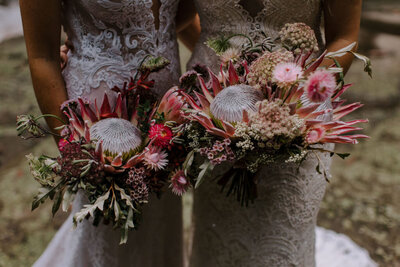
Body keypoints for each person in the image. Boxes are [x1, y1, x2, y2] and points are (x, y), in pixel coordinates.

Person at [184, 0, 376, 266]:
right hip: (215, 116)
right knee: (218, 235)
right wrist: (223, 65)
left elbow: (344, 35)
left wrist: (296, 96)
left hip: (296, 116)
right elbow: (179, 17)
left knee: (282, 238)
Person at [19, 0, 197, 266]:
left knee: (157, 230)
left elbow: (169, 20)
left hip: (166, 124)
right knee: (106, 235)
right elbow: (42, 56)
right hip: (97, 129)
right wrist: (74, 154)